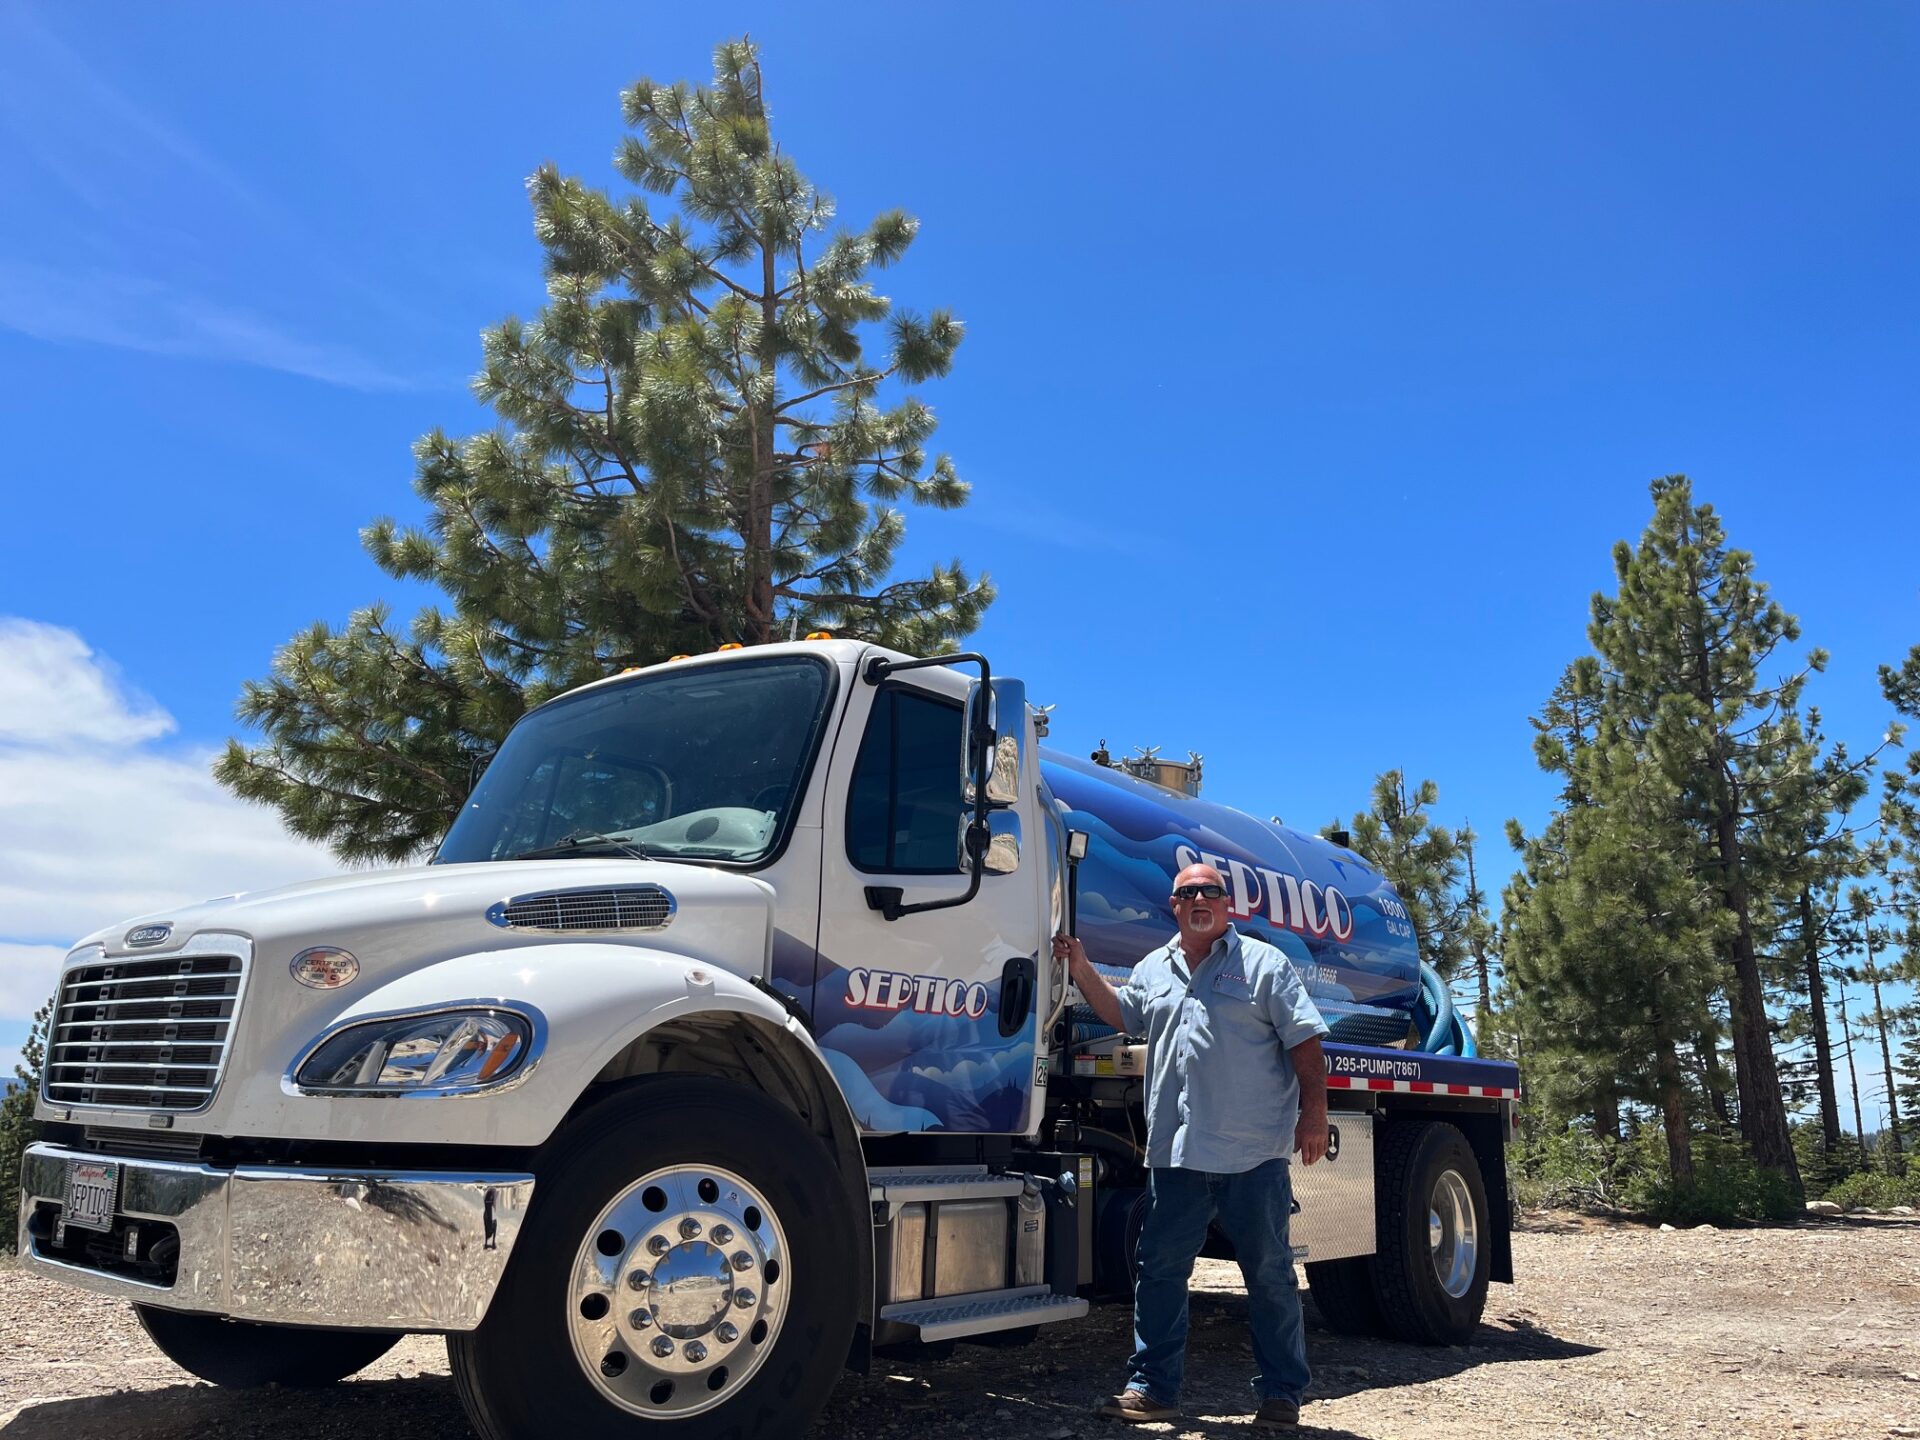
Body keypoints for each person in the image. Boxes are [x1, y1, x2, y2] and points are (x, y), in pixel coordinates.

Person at [1053, 861, 1329, 1430]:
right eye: (1188, 892)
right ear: (1173, 906)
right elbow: (1120, 1013)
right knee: (1158, 1272)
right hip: (1176, 1155)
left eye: (1211, 891)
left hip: (1251, 1154)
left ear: (1228, 905)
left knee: (1269, 1275)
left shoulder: (1264, 965)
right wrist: (1080, 967)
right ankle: (1153, 1390)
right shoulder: (1155, 967)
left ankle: (1281, 1394)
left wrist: (1314, 1117)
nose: (1200, 898)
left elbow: (1305, 1044)